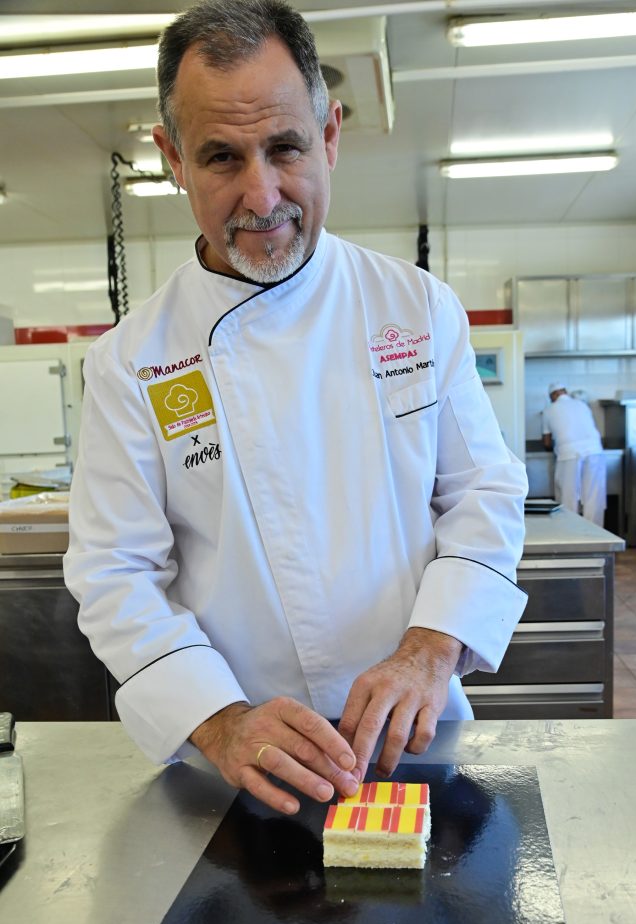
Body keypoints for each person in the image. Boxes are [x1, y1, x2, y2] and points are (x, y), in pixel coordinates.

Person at [64, 0, 528, 818]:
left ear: (331, 134)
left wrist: (427, 650)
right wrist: (219, 720)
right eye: (220, 158)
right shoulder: (129, 362)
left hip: (416, 735)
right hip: (237, 769)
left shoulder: (414, 308)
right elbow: (116, 574)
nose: (262, 193)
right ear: (172, 157)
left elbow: (482, 495)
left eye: (285, 147)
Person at [542, 382, 606, 526]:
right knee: (593, 496)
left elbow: (546, 442)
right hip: (595, 451)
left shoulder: (548, 410)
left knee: (568, 497)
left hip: (568, 454)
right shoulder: (582, 405)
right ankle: (595, 536)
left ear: (553, 395)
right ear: (564, 391)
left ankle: (570, 534)